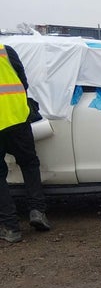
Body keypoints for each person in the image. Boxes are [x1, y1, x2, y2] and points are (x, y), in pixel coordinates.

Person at [0, 43, 50, 243]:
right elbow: (23, 83)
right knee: (29, 163)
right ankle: (37, 211)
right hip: (17, 118)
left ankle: (11, 228)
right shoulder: (5, 50)